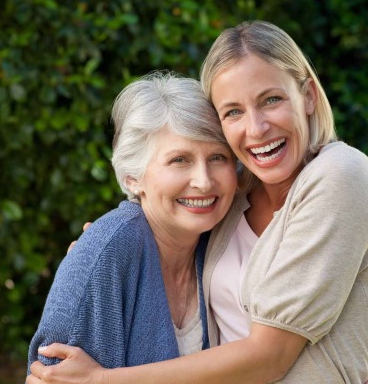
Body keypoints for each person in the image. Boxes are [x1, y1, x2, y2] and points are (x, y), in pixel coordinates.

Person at [28, 20, 368, 383]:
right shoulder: (236, 199)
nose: (256, 128)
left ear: (309, 96)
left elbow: (269, 357)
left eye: (271, 100)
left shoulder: (341, 174)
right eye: (233, 111)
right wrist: (104, 250)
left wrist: (104, 380)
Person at [26, 72, 237, 372]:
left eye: (218, 157)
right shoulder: (108, 253)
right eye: (179, 160)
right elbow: (51, 375)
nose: (204, 181)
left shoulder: (224, 239)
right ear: (132, 177)